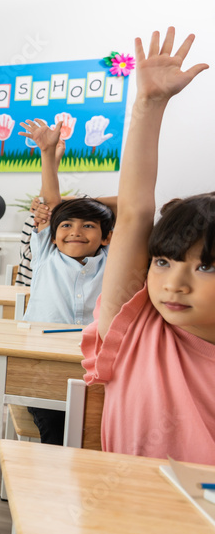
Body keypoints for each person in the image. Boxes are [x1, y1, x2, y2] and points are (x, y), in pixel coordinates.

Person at [81, 27, 215, 463]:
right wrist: (149, 105)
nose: (174, 285)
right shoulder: (136, 327)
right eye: (162, 261)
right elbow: (136, 210)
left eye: (206, 267)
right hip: (128, 524)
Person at [19, 117, 116, 445]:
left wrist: (88, 204)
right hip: (44, 359)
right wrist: (47, 154)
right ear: (54, 234)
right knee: (56, 427)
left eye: (88, 226)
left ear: (106, 237)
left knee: (96, 427)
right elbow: (51, 205)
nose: (75, 231)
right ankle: (51, 484)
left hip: (93, 363)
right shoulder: (47, 252)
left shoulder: (112, 260)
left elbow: (135, 206)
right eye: (66, 225)